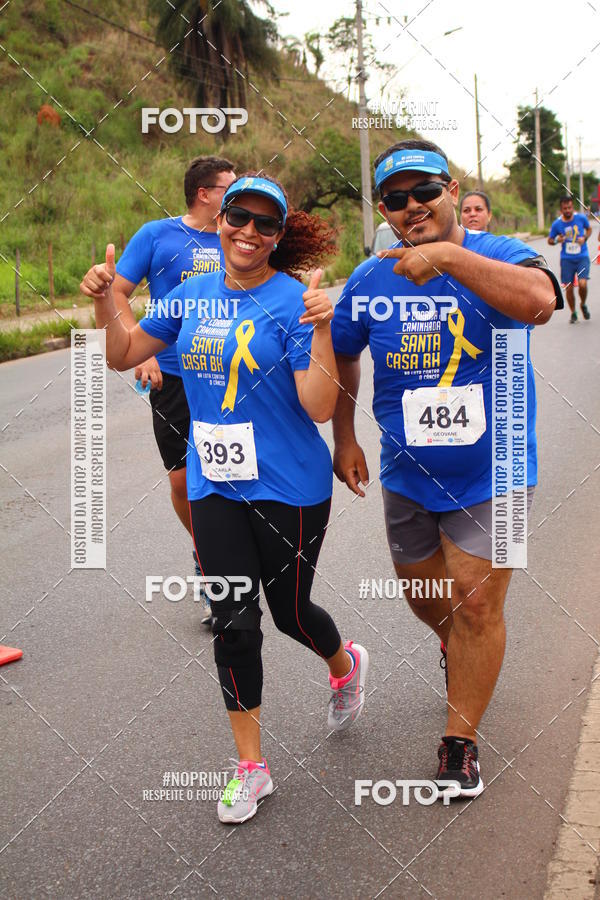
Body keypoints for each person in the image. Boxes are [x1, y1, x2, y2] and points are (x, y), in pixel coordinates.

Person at [80, 173, 369, 825]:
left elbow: (320, 406)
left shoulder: (295, 301)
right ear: (221, 221)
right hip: (215, 483)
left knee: (291, 612)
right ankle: (251, 768)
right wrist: (106, 302)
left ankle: (344, 662)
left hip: (290, 485)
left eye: (266, 224)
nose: (249, 231)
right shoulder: (189, 295)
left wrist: (322, 330)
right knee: (235, 621)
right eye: (239, 216)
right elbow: (123, 353)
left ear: (278, 236)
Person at [331, 139, 563, 798]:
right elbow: (344, 351)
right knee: (428, 597)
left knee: (476, 601)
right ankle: (455, 645)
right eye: (396, 199)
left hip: (502, 467)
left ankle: (459, 744)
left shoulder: (497, 252)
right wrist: (343, 437)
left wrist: (452, 258)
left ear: (451, 188)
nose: (413, 207)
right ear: (384, 207)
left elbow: (541, 301)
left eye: (424, 192)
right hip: (407, 471)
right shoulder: (371, 276)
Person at [112, 156, 237, 623]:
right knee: (184, 481)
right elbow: (119, 291)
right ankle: (207, 561)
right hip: (172, 374)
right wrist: (140, 349)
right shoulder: (156, 235)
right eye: (229, 186)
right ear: (204, 192)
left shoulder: (240, 236)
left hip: (227, 373)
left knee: (228, 471)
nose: (237, 194)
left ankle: (232, 566)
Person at [548, 195, 592, 323]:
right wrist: (557, 240)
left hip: (582, 256)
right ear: (561, 210)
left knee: (583, 284)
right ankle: (573, 312)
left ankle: (583, 304)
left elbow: (589, 229)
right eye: (565, 208)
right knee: (569, 287)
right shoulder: (557, 224)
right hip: (566, 259)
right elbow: (550, 240)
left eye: (569, 207)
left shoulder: (581, 218)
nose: (568, 210)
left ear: (572, 207)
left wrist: (585, 238)